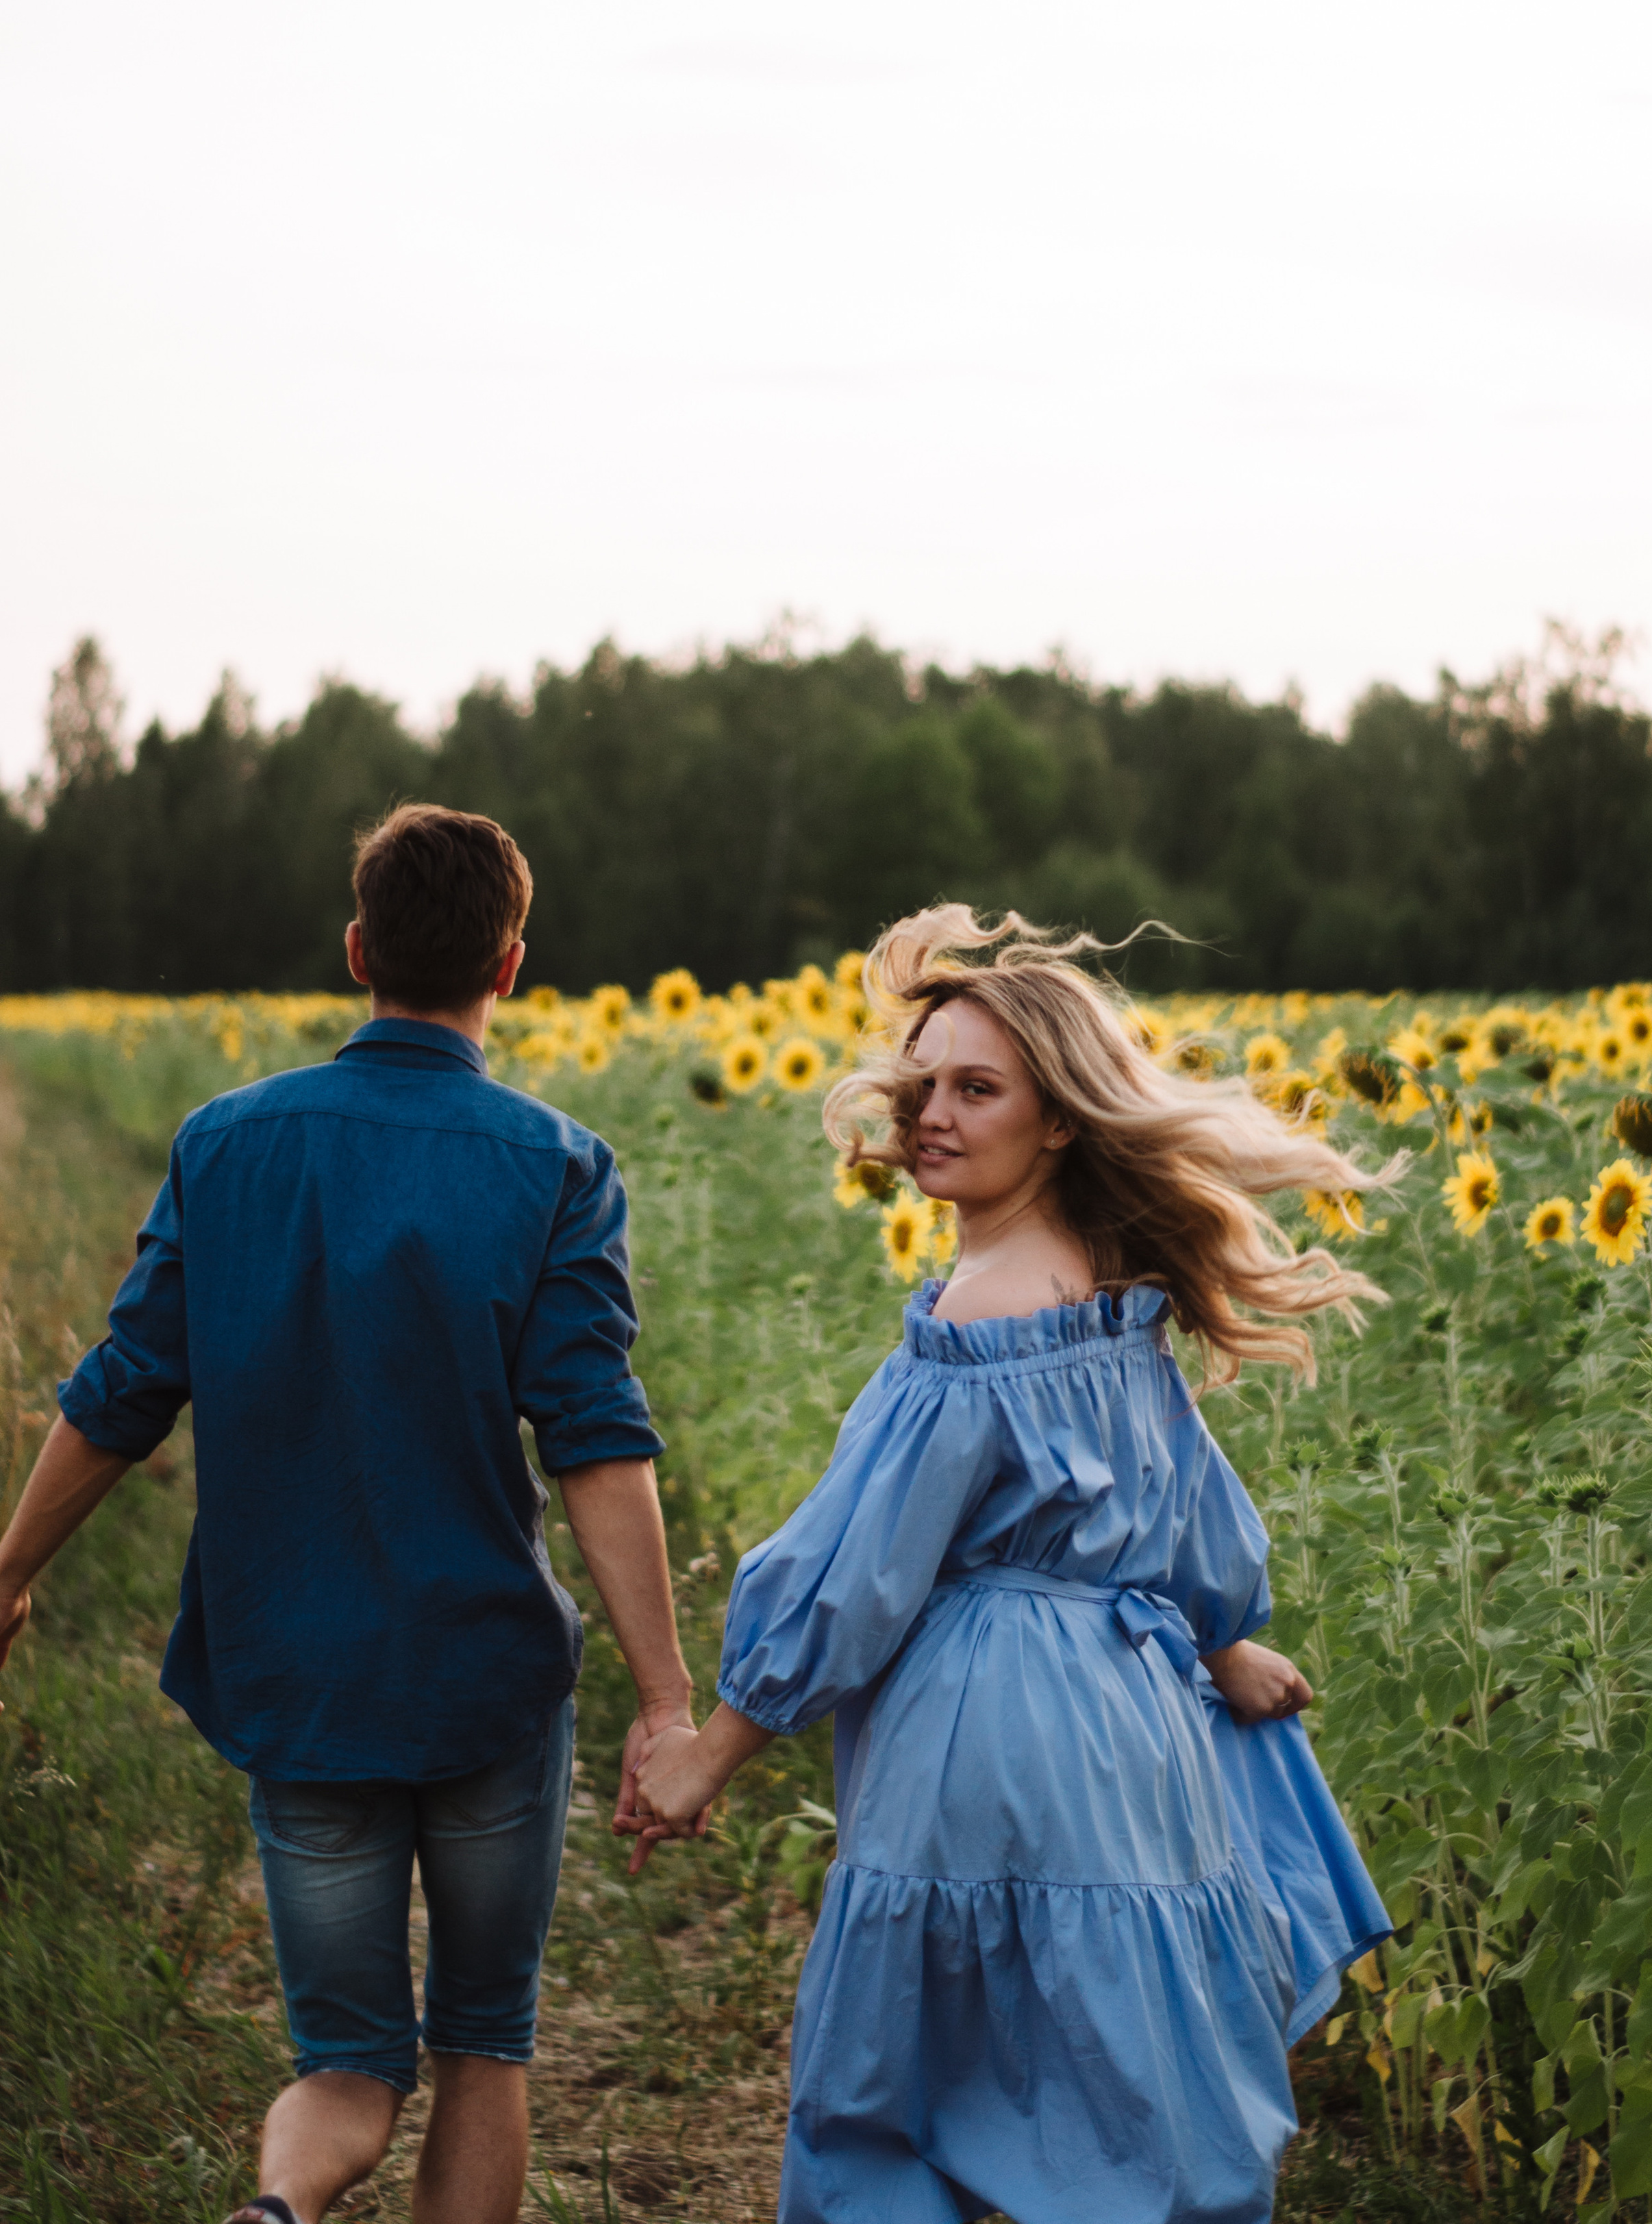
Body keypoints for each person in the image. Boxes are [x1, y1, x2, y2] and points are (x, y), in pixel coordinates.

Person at [628, 906, 1395, 2224]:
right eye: (922, 1085)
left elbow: (856, 1574)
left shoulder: (977, 1317)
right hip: (1132, 1723)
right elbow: (1182, 1496)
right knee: (1122, 2074)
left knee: (903, 2096)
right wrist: (1223, 1643)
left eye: (976, 1090)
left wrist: (712, 1752)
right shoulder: (1112, 1288)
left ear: (1058, 1123)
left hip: (981, 1731)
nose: (931, 1115)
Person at [0, 803, 698, 2224]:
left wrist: (10, 1569)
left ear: (357, 950)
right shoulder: (555, 1164)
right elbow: (596, 1438)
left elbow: (126, 1389)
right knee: (484, 2042)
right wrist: (664, 1696)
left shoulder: (225, 1144)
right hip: (486, 1676)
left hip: (298, 1674)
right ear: (510, 967)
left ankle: (280, 2209)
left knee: (344, 2065)